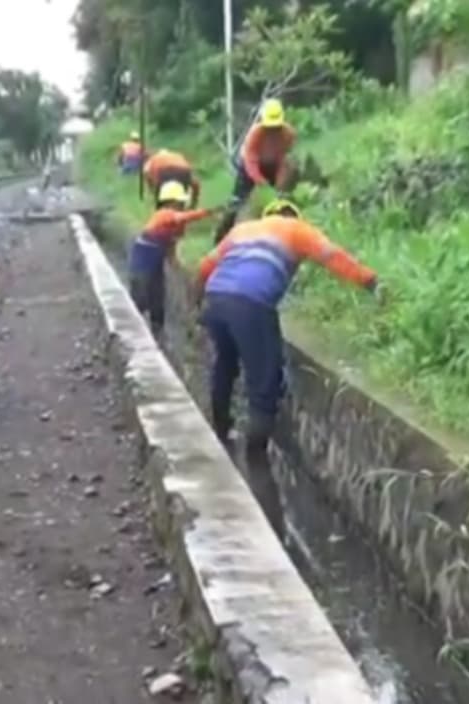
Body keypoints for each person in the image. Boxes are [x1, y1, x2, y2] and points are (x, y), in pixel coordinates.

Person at [194, 199, 379, 535]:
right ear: (292, 215)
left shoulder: (243, 230)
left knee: (225, 363)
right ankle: (256, 452)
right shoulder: (295, 229)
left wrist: (198, 303)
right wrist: (370, 282)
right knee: (264, 376)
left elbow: (206, 266)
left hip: (217, 297)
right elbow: (333, 256)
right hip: (251, 302)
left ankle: (220, 429)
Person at [128, 182, 218, 336]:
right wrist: (205, 212)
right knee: (141, 295)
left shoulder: (176, 224)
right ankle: (131, 330)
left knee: (158, 295)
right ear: (170, 201)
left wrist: (181, 272)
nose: (182, 204)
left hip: (156, 262)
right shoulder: (163, 214)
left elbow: (170, 249)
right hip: (142, 260)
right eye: (179, 202)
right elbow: (180, 217)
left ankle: (158, 331)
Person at [214, 99, 296, 243]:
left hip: (273, 166)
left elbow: (283, 159)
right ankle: (221, 236)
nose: (272, 130)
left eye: (276, 126)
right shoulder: (255, 134)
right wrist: (261, 182)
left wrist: (279, 184)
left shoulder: (288, 134)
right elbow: (250, 161)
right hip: (249, 167)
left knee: (281, 196)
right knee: (237, 203)